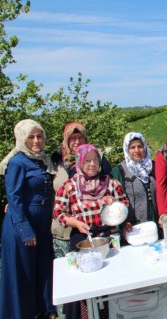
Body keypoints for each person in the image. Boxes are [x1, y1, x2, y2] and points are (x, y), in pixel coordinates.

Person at [53, 144, 128, 319]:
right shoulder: (69, 186)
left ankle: (113, 313)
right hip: (82, 239)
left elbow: (123, 204)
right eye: (87, 160)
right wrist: (75, 223)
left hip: (108, 237)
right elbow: (59, 213)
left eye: (95, 160)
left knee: (113, 277)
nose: (92, 164)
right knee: (85, 283)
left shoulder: (111, 183)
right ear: (79, 162)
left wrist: (118, 218)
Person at [0, 119, 57, 319]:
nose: (36, 141)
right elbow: (14, 199)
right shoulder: (16, 162)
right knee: (22, 273)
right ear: (21, 138)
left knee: (41, 268)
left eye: (39, 136)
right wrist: (25, 230)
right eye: (31, 137)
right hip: (21, 225)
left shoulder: (42, 160)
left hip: (42, 224)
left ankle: (42, 310)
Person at [51, 121, 112, 257]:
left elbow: (110, 187)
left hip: (96, 227)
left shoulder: (98, 159)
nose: (77, 141)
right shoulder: (55, 161)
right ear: (66, 139)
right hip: (64, 230)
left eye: (80, 137)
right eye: (73, 138)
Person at [112, 132, 158, 238]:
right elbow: (116, 201)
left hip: (156, 225)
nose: (137, 151)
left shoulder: (154, 166)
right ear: (127, 150)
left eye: (140, 146)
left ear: (145, 148)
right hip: (134, 228)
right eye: (132, 147)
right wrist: (123, 223)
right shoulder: (119, 171)